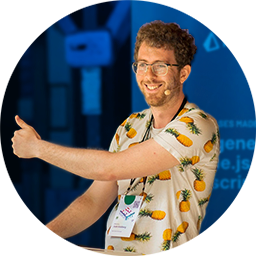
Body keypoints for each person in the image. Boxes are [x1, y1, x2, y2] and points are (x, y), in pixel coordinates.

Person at [12, 20, 220, 256]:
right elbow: (93, 201)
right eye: (142, 65)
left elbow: (108, 169)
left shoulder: (197, 125)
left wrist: (38, 149)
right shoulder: (131, 125)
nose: (148, 75)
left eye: (160, 66)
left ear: (183, 73)